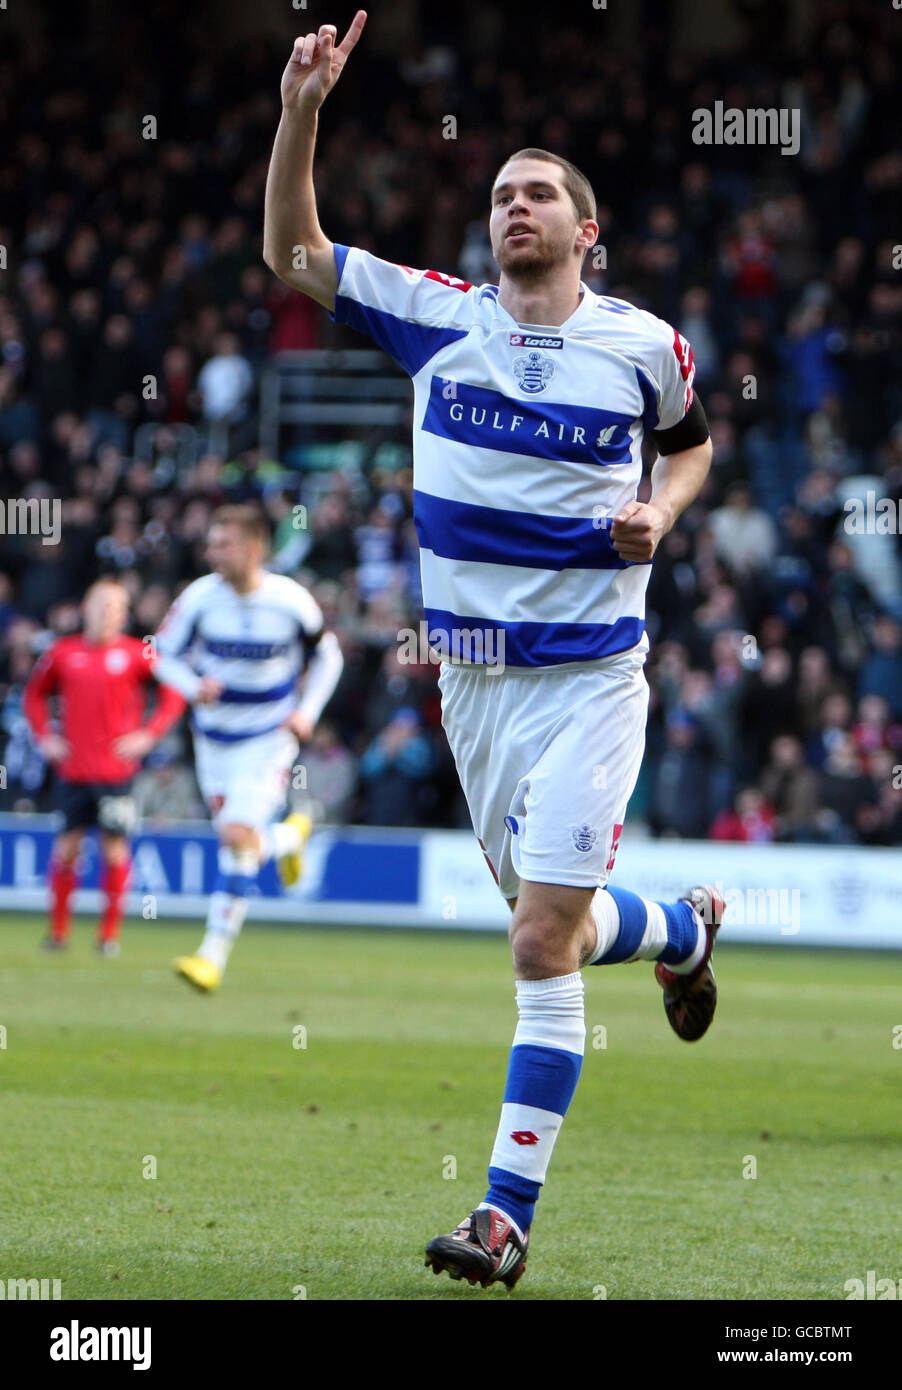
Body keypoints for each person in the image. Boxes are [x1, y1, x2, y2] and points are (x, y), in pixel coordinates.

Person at [263, 14, 721, 1291]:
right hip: (473, 688)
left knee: (533, 943)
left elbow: (690, 441)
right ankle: (678, 930)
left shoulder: (640, 345)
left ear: (587, 231)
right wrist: (302, 106)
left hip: (588, 678)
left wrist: (663, 513)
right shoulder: (439, 319)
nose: (513, 205)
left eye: (539, 193)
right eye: (500, 192)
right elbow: (291, 250)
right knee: (559, 930)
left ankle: (502, 1220)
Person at [152, 504, 343, 991]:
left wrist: (309, 711)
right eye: (211, 542)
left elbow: (329, 656)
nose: (212, 551)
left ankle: (210, 956)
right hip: (213, 740)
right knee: (242, 845)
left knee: (235, 837)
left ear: (254, 548)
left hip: (268, 737)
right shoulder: (199, 598)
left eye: (223, 543)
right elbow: (156, 653)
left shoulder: (289, 600)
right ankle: (291, 837)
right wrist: (191, 684)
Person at [22, 577, 186, 955]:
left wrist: (149, 735)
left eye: (114, 605)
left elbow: (173, 693)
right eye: (100, 603)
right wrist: (45, 737)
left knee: (114, 851)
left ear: (124, 614)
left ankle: (108, 937)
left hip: (116, 774)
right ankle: (58, 934)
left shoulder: (137, 653)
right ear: (85, 608)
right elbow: (34, 696)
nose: (105, 612)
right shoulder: (62, 653)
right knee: (66, 850)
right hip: (73, 772)